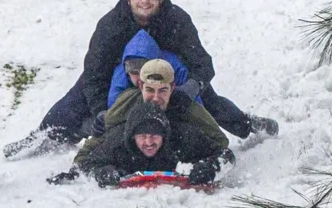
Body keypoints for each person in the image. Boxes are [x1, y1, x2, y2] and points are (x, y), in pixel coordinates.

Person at [3, 0, 278, 159]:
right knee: (75, 99)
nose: (145, 2)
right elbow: (95, 72)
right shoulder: (111, 25)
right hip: (121, 72)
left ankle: (248, 125)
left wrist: (192, 85)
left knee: (209, 102)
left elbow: (202, 63)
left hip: (168, 74)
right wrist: (101, 108)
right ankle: (45, 135)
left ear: (160, 0)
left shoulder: (176, 20)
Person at [47, 100, 232, 187]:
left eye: (155, 136)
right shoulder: (117, 143)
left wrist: (211, 167)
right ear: (132, 137)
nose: (149, 142)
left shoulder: (184, 138)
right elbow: (84, 165)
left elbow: (226, 155)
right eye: (142, 136)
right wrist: (102, 172)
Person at [89, 58, 228, 154]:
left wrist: (207, 166)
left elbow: (220, 141)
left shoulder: (185, 106)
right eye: (150, 90)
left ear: (172, 87)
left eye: (162, 90)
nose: (156, 98)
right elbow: (103, 135)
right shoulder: (127, 102)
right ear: (141, 86)